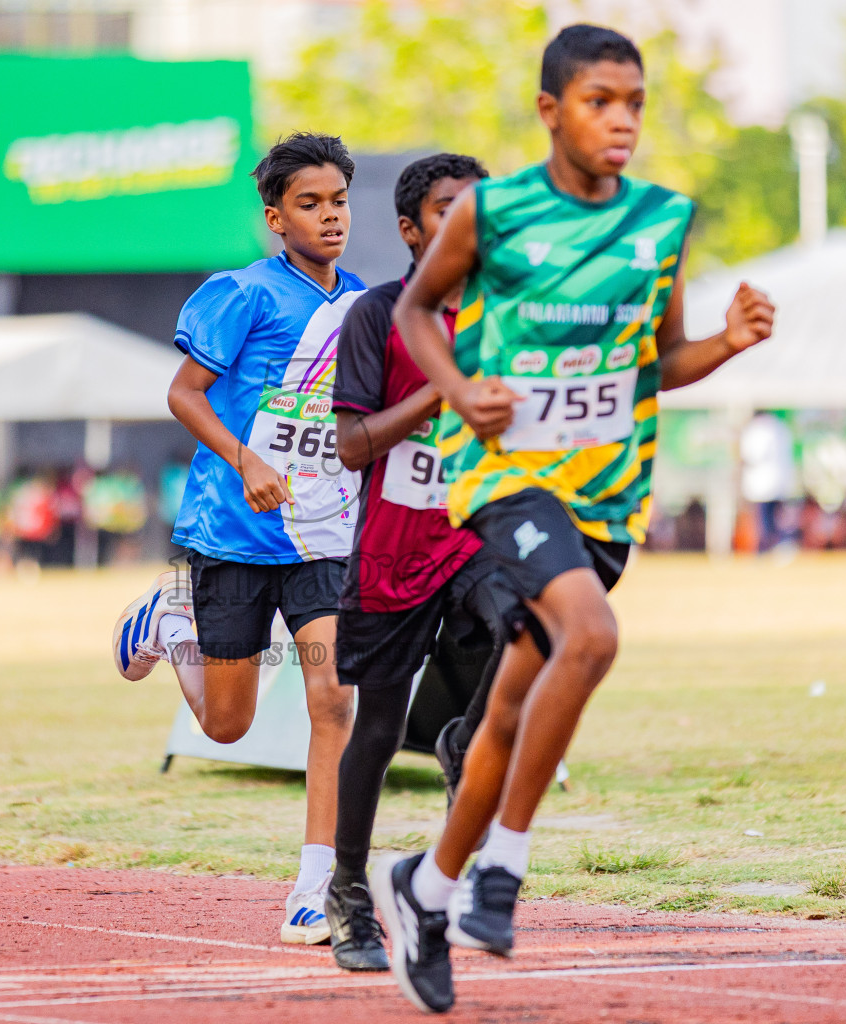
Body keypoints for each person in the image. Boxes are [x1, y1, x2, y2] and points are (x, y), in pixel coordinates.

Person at [373, 25, 776, 1013]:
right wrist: (462, 389)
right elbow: (415, 315)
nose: (623, 120)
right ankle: (501, 866)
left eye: (635, 101)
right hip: (507, 481)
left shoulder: (660, 223)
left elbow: (660, 360)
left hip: (606, 497)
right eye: (601, 100)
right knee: (590, 636)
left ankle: (423, 888)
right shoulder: (494, 214)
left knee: (513, 702)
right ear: (551, 110)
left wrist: (725, 342)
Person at [110, 132, 365, 945]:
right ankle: (167, 625)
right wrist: (244, 456)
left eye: (339, 202)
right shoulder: (241, 294)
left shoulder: (362, 303)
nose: (329, 218)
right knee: (228, 727)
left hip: (320, 540)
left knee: (333, 699)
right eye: (309, 205)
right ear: (274, 216)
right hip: (233, 534)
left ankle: (313, 888)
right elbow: (184, 394)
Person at [324, 152, 521, 973]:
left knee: (532, 628)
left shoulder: (507, 312)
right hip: (394, 548)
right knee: (372, 726)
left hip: (475, 533)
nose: (468, 222)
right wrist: (442, 391)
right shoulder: (379, 315)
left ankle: (464, 742)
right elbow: (351, 444)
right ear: (411, 230)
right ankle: (347, 891)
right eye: (448, 209)